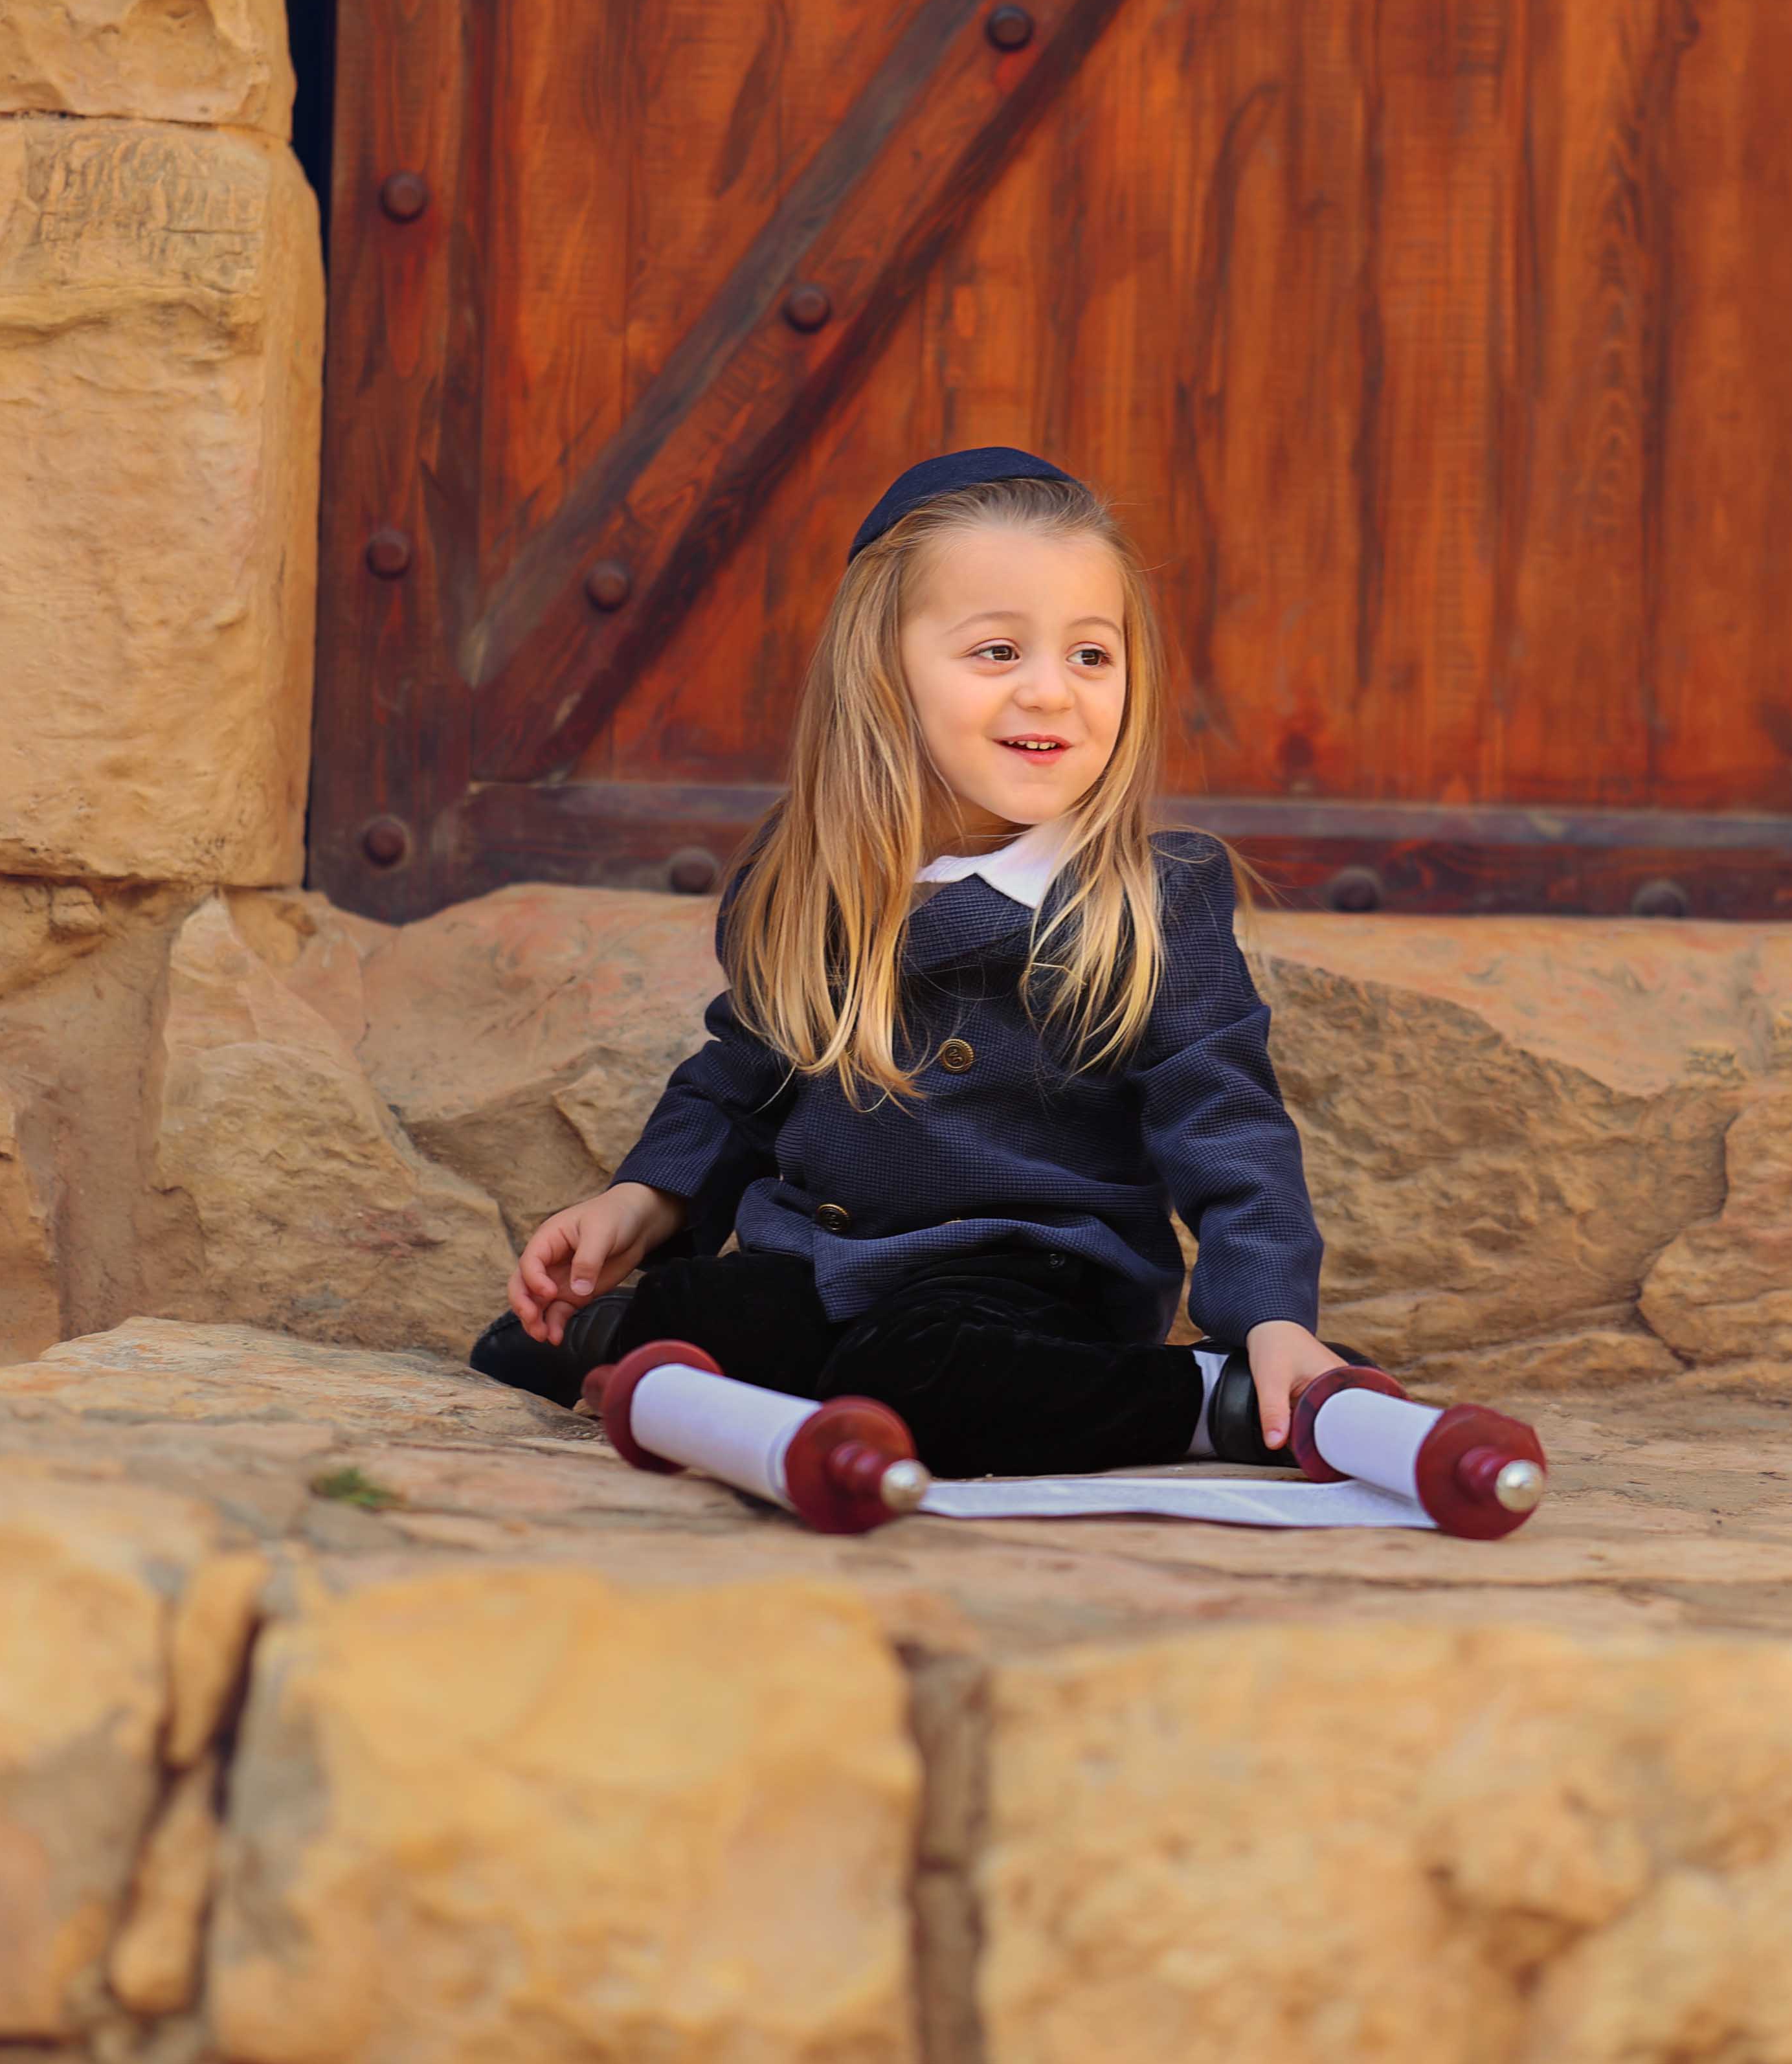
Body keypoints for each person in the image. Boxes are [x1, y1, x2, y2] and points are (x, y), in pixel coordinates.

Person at [469, 447, 1347, 1477]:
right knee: (695, 1309)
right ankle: (653, 1346)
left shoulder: (1145, 898)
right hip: (830, 1260)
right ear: (881, 673)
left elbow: (1225, 1123)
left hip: (1031, 1282)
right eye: (998, 652)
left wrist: (1269, 1319)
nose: (1052, 692)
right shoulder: (812, 874)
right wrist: (644, 1200)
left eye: (1090, 655)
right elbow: (744, 1077)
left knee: (926, 1372)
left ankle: (1210, 1402)